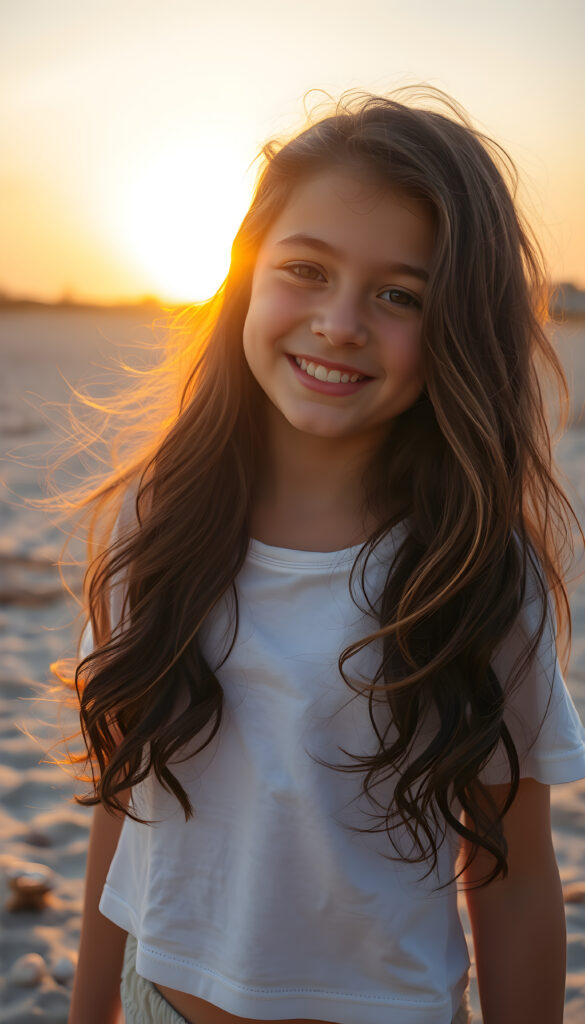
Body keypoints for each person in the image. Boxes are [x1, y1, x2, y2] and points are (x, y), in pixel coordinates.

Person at [65, 87, 585, 1024]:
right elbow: (126, 802)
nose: (340, 323)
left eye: (399, 295)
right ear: (244, 276)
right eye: (306, 269)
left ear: (458, 327)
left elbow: (510, 877)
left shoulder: (472, 571)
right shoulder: (161, 520)